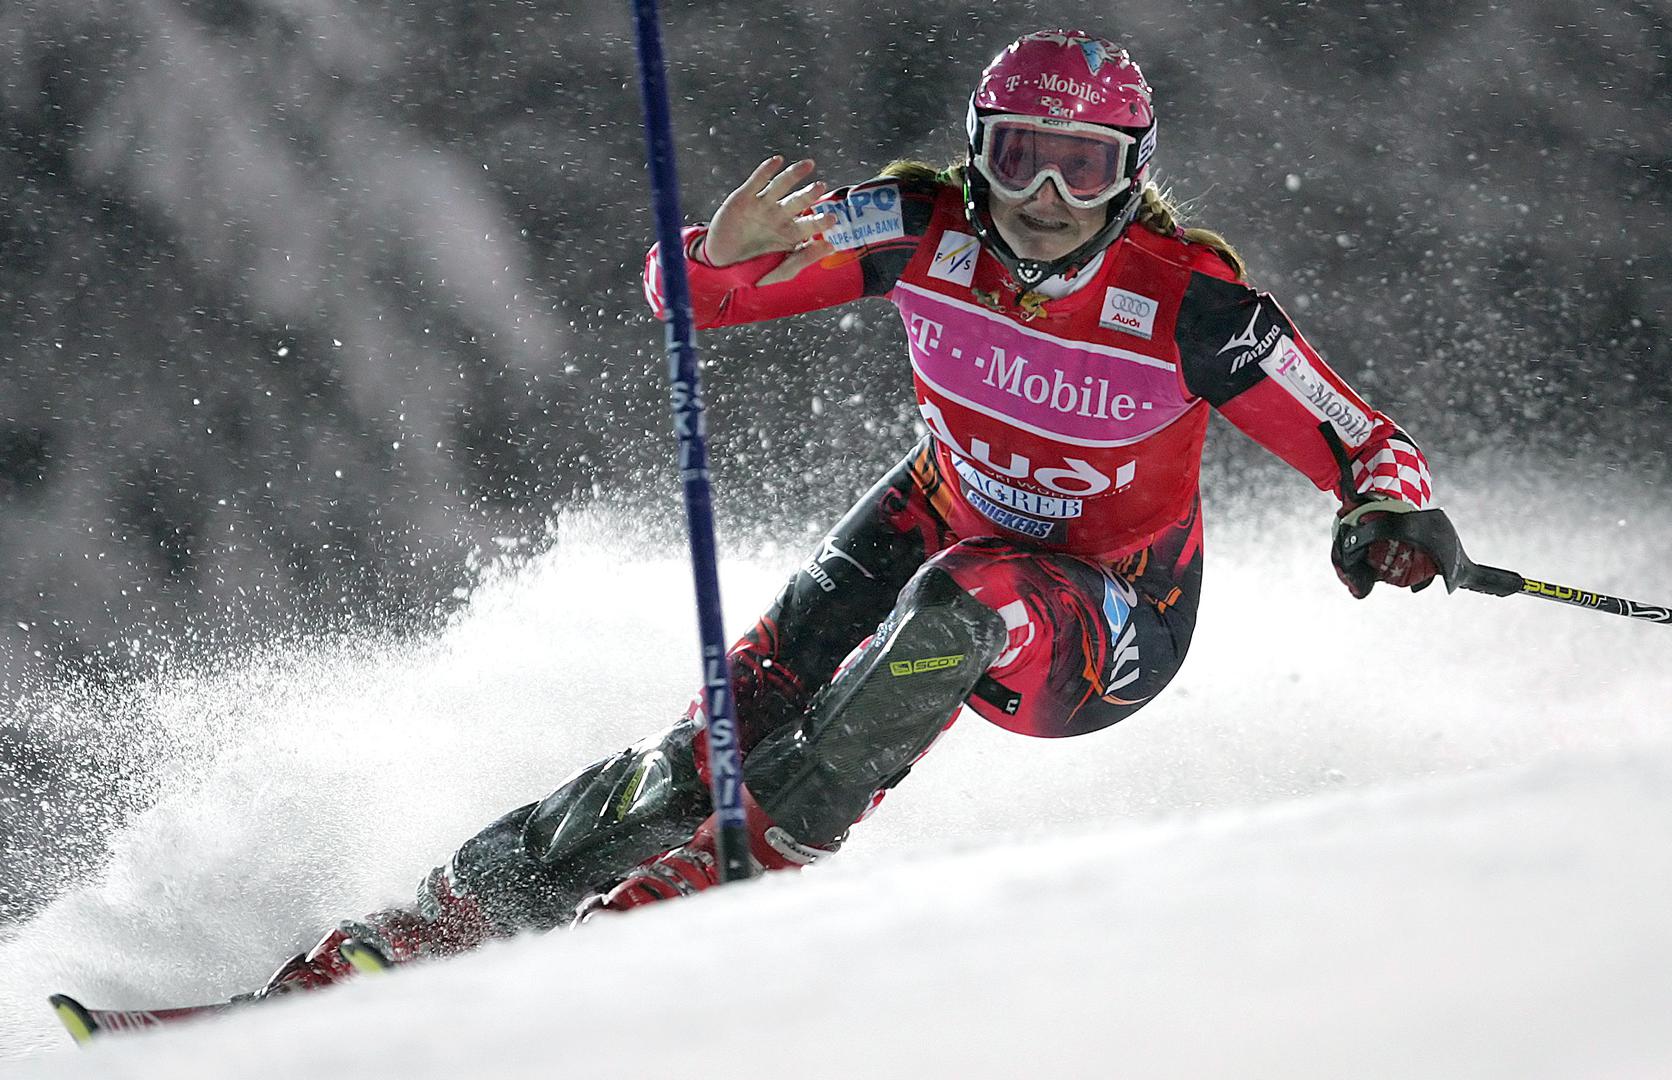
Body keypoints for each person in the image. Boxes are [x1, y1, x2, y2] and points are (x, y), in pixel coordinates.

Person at [254, 28, 1455, 995]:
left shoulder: (1194, 304)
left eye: (1081, 166)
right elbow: (690, 301)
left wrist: (1388, 518)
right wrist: (715, 255)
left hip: (1110, 610)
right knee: (711, 742)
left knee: (965, 601)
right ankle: (446, 921)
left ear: (1129, 174)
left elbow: (1362, 440)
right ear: (977, 151)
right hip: (936, 515)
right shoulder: (919, 227)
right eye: (1019, 155)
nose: (1043, 194)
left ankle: (703, 895)